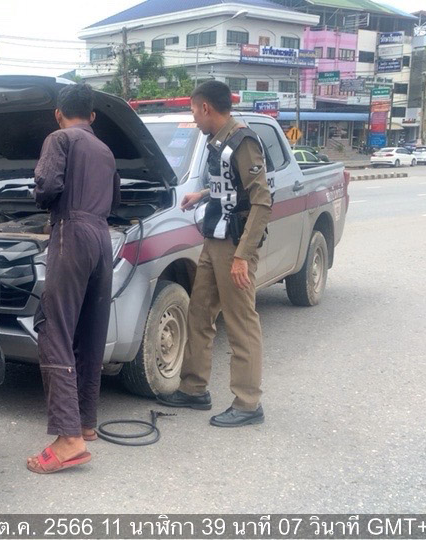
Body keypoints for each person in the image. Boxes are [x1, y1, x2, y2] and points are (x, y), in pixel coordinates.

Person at [157, 80, 272, 427]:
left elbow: (261, 200)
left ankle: (248, 404)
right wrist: (203, 194)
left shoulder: (243, 141)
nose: (193, 117)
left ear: (206, 108)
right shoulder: (218, 140)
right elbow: (231, 186)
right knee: (199, 314)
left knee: (241, 323)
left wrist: (242, 256)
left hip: (235, 245)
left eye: (194, 110)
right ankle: (194, 389)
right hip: (214, 238)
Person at [26, 83, 119, 474]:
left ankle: (68, 440)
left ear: (58, 113)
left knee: (55, 329)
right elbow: (115, 199)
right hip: (102, 238)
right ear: (92, 116)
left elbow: (47, 186)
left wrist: (40, 200)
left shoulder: (59, 138)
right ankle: (85, 422)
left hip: (72, 232)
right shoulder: (105, 150)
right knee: (90, 332)